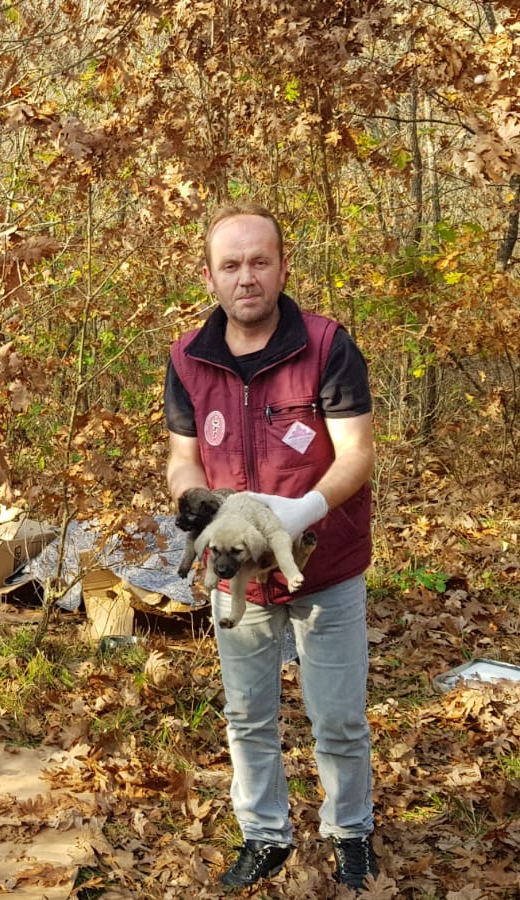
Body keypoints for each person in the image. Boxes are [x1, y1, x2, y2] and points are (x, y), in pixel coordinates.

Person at [163, 202, 378, 890]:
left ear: (284, 267)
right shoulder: (187, 361)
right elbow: (182, 462)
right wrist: (201, 520)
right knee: (247, 715)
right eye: (231, 265)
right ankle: (265, 834)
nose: (246, 277)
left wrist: (302, 510)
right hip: (238, 577)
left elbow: (357, 453)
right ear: (209, 276)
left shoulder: (326, 345)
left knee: (337, 717)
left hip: (326, 566)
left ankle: (350, 833)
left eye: (259, 261)